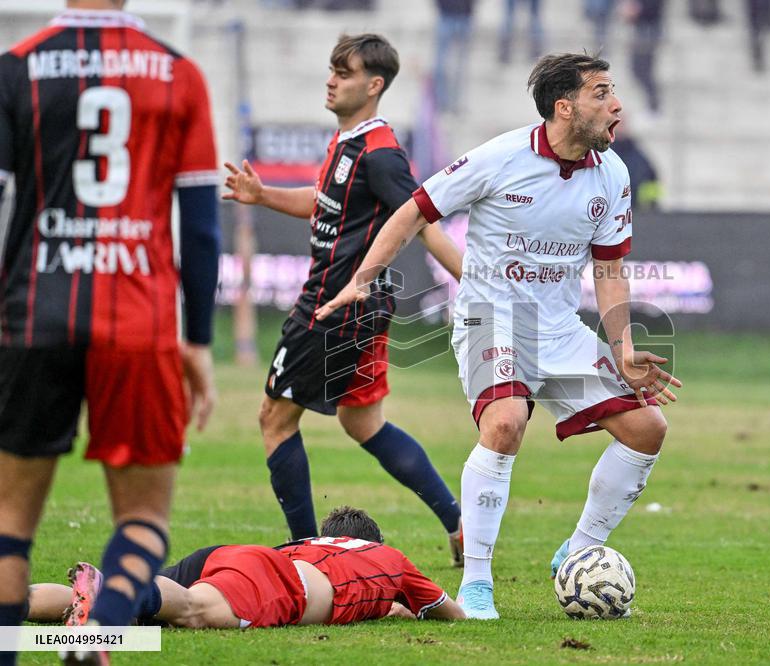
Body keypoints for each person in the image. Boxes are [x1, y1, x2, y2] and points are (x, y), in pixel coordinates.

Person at [317, 52, 682, 619]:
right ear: (566, 108)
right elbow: (415, 212)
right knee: (506, 423)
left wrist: (624, 349)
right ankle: (478, 583)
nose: (617, 106)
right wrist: (363, 278)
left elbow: (609, 270)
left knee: (646, 429)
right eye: (603, 94)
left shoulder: (613, 175)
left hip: (559, 330)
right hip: (490, 319)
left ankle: (579, 550)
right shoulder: (500, 157)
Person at [0, 1, 219, 663]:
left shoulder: (17, 68)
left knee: (10, 526)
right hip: (139, 321)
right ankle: (97, 638)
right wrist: (199, 340)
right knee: (143, 521)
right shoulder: (177, 73)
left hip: (33, 314)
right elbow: (203, 229)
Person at [221, 34, 467, 565]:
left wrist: (469, 282)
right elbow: (323, 201)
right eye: (332, 70)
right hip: (361, 309)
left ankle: (305, 555)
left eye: (345, 72)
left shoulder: (380, 153)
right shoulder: (350, 140)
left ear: (374, 85)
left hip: (335, 307)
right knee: (364, 424)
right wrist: (262, 195)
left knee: (274, 418)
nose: (331, 80)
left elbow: (421, 218)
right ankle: (459, 524)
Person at [26, 507, 466, 628]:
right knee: (194, 610)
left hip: (236, 556)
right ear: (372, 541)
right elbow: (453, 613)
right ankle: (119, 588)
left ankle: (17, 600)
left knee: (156, 611)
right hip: (277, 583)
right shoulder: (388, 560)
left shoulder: (309, 543)